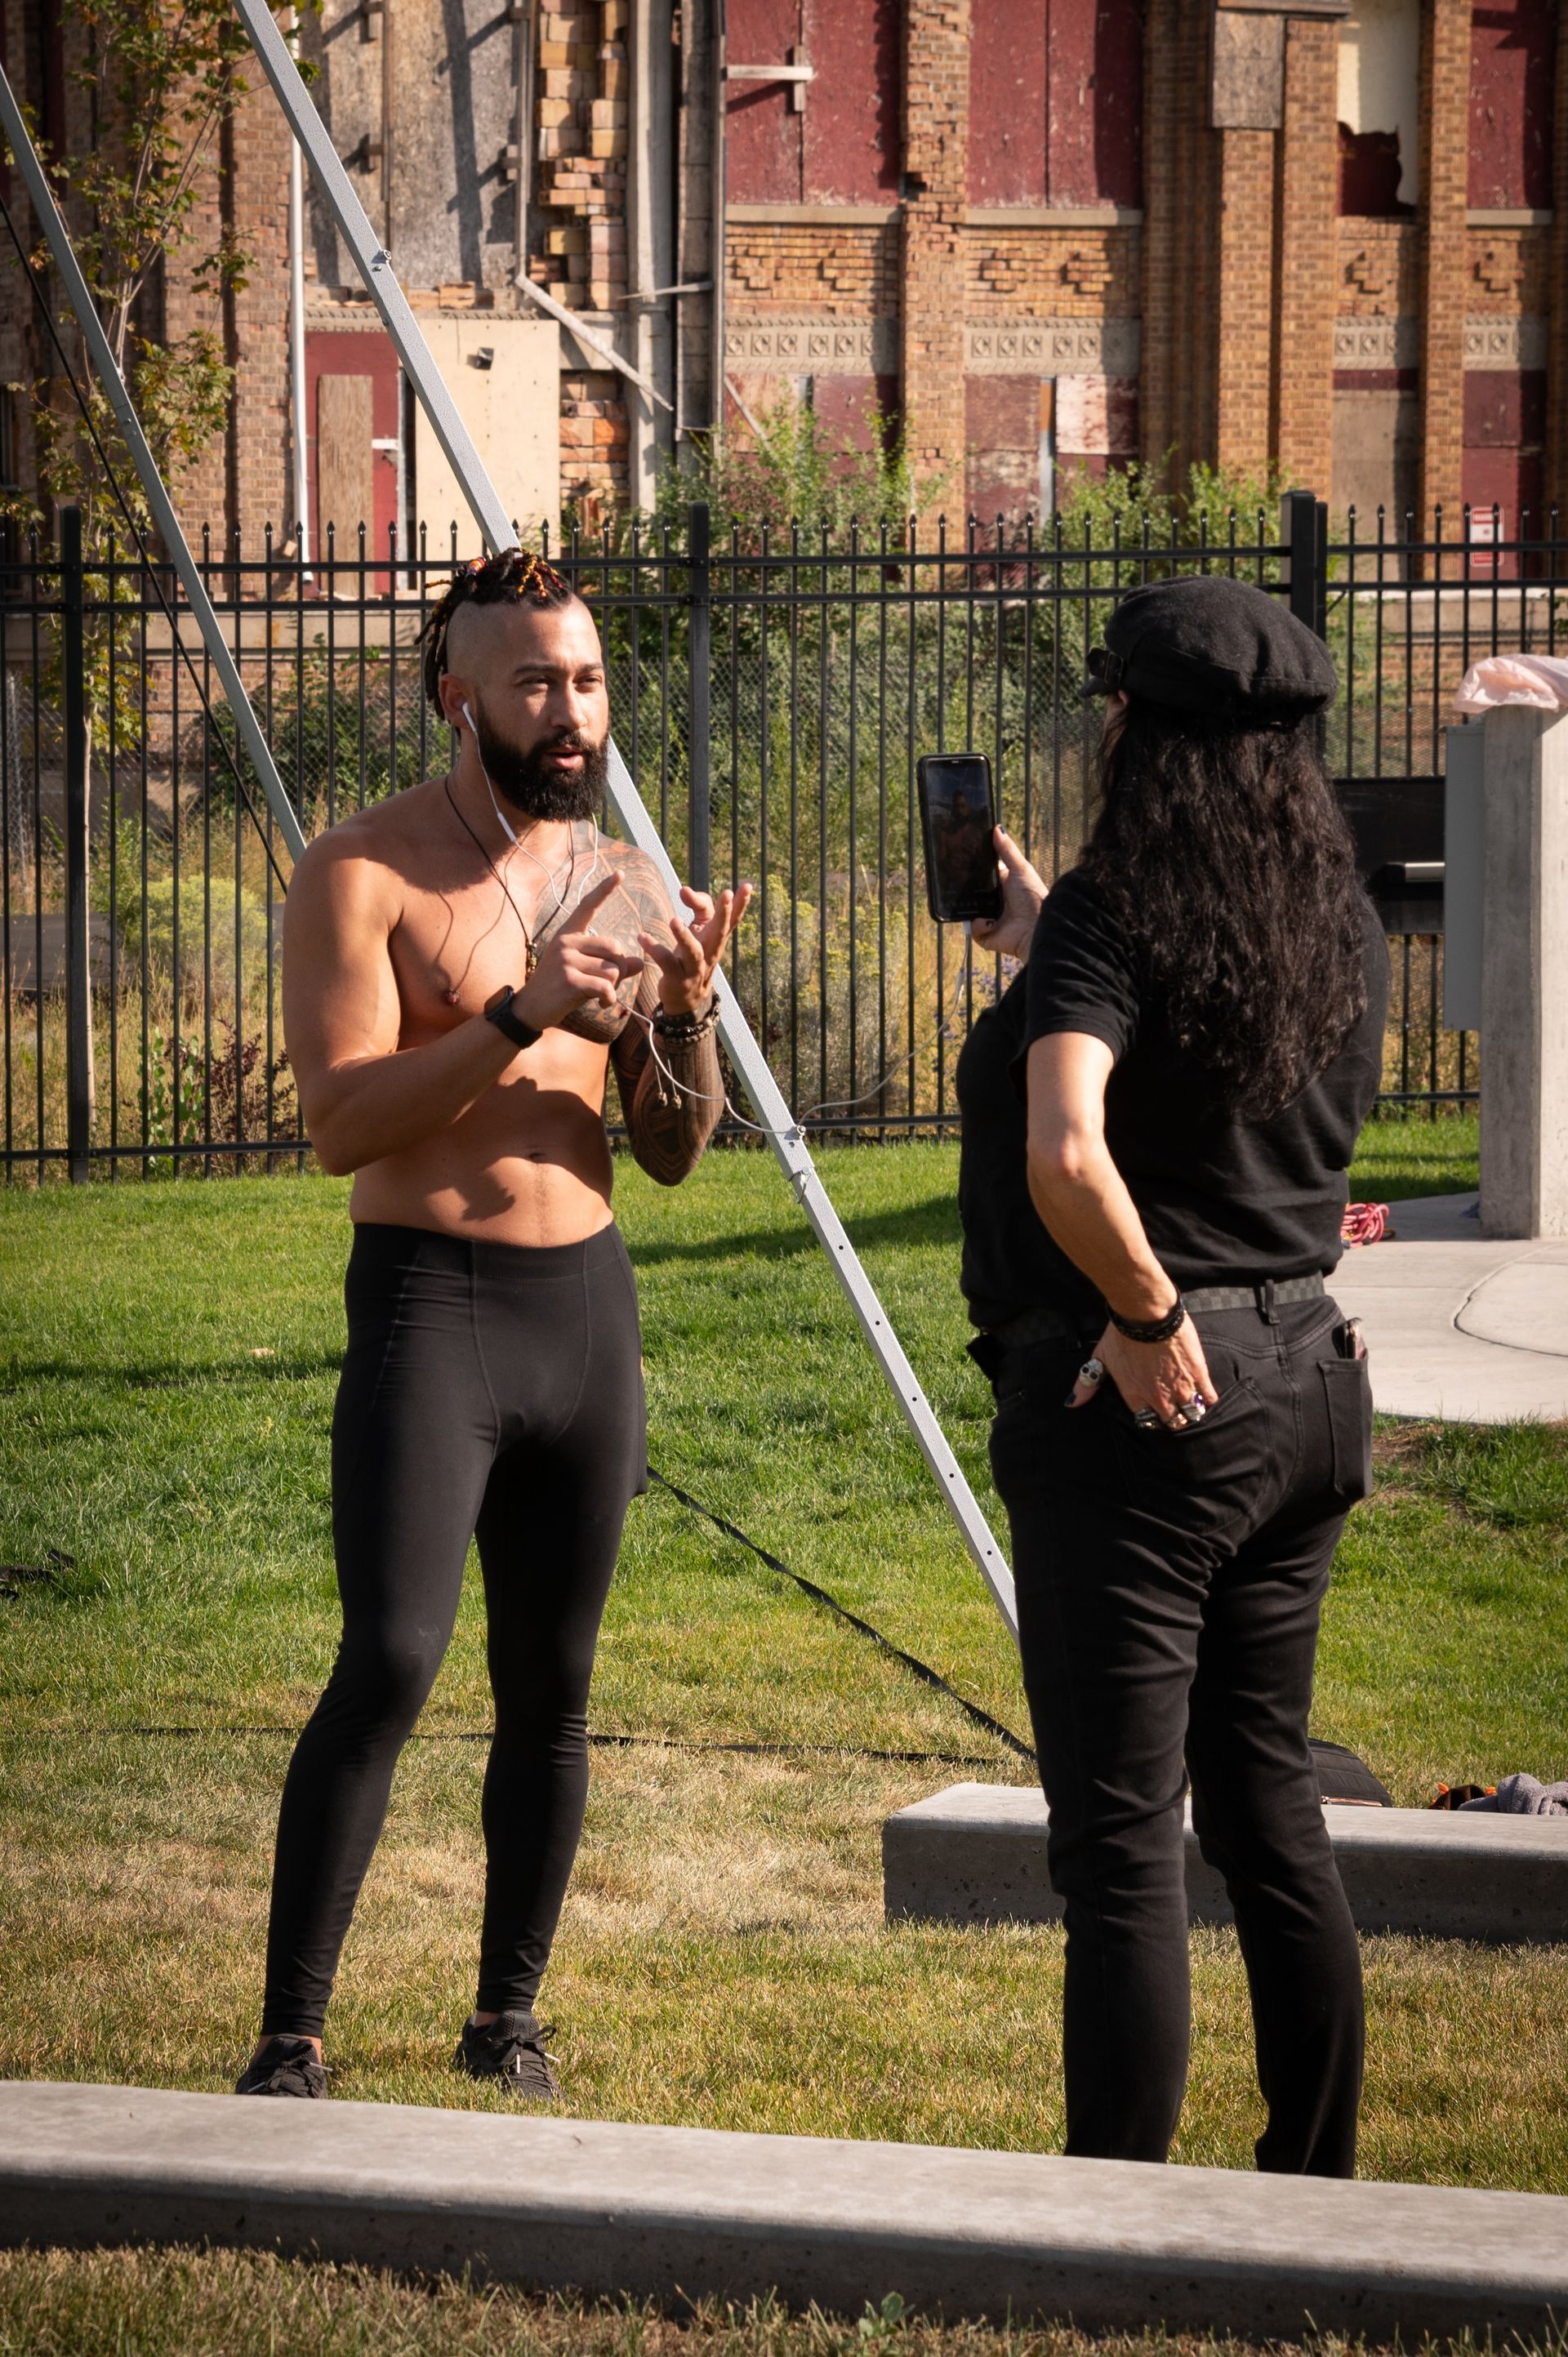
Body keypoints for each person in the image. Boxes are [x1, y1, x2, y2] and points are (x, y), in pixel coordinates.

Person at [236, 549, 750, 2101]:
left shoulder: (631, 878)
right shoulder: (363, 870)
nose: (570, 709)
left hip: (583, 1310)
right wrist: (518, 1013)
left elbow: (672, 1148)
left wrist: (684, 1020)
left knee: (556, 1685)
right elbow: (337, 1121)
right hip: (433, 1306)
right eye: (535, 680)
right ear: (460, 694)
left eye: (588, 678)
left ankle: (507, 2014)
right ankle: (290, 2035)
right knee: (391, 1658)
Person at [956, 575, 1388, 2176]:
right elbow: (1201, 1083)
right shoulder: (1330, 913)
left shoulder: (1116, 906)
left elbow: (1073, 1153)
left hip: (1158, 1401)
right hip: (1309, 1376)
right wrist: (1034, 949)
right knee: (1268, 1806)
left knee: (1127, 1849)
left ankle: (1116, 2230)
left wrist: (1139, 1314)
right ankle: (1314, 2182)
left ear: (1135, 727)